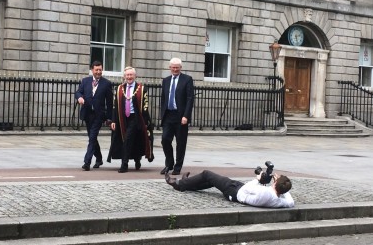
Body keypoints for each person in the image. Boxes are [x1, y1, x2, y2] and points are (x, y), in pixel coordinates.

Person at [107, 67, 154, 173]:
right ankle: (137, 159)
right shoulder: (119, 89)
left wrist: (145, 122)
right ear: (124, 76)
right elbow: (115, 106)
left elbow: (145, 106)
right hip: (122, 118)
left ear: (135, 76)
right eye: (127, 75)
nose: (129, 77)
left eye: (131, 75)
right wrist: (113, 121)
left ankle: (124, 164)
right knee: (131, 140)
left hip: (136, 118)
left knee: (128, 139)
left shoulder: (142, 89)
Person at [165, 170, 294, 208]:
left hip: (235, 192)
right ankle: (188, 183)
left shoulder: (265, 192)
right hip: (237, 190)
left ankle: (179, 185)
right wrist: (281, 185)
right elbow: (290, 201)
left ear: (276, 184)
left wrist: (258, 179)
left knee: (206, 174)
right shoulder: (279, 200)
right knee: (213, 181)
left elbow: (247, 188)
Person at [75, 60, 113, 171]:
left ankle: (87, 162)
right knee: (92, 138)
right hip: (87, 114)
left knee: (92, 138)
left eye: (100, 70)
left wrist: (109, 118)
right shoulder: (85, 81)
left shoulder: (106, 83)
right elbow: (78, 92)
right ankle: (99, 158)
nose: (98, 72)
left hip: (98, 116)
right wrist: (79, 98)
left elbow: (110, 103)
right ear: (92, 70)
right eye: (96, 70)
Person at [160, 58, 194, 175]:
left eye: (177, 67)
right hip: (168, 115)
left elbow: (190, 99)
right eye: (173, 67)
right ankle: (169, 163)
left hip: (181, 117)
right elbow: (163, 99)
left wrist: (186, 116)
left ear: (181, 68)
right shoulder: (166, 80)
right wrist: (162, 114)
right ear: (170, 68)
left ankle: (177, 167)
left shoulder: (187, 80)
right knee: (165, 140)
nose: (175, 69)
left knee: (181, 143)